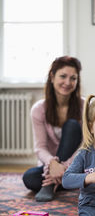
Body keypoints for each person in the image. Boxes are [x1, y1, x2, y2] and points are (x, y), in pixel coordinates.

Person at [23, 56, 84, 202]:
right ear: (52, 77)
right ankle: (66, 181)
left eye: (73, 78)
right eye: (63, 76)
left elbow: (86, 145)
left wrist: (64, 167)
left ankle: (50, 184)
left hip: (76, 165)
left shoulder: (85, 106)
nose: (68, 82)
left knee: (72, 125)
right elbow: (40, 148)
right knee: (29, 178)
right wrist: (53, 165)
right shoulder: (38, 109)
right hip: (49, 167)